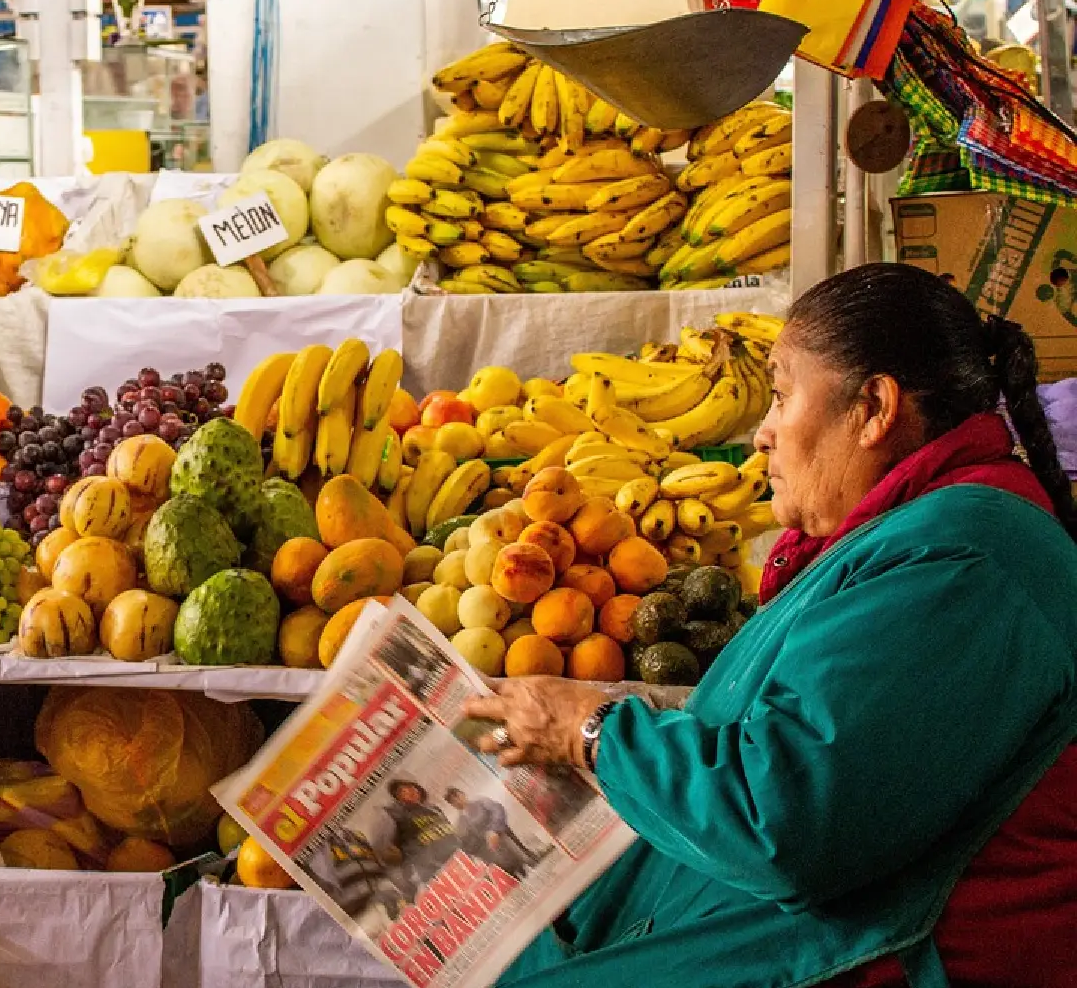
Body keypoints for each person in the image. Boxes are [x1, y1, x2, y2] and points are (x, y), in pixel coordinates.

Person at [462, 264, 1077, 988]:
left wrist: (592, 733)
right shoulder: (926, 531)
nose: (761, 433)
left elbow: (785, 818)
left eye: (782, 396)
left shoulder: (962, 560)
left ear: (874, 408)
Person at [379, 779, 460, 895]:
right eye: (403, 791)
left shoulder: (435, 809)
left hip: (458, 859)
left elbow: (451, 832)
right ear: (399, 800)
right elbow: (391, 853)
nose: (410, 791)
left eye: (412, 787)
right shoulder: (397, 817)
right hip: (435, 873)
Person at [443, 788, 539, 880]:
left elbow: (498, 810)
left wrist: (494, 830)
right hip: (493, 854)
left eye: (457, 796)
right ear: (452, 805)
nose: (457, 801)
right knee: (512, 873)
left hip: (504, 836)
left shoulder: (480, 801)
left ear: (462, 794)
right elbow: (467, 846)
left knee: (524, 858)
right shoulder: (461, 823)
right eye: (453, 801)